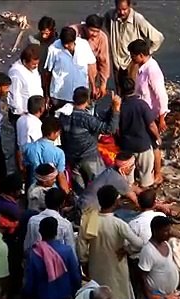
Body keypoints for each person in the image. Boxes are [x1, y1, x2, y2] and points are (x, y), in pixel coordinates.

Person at [78, 185, 145, 299]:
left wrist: (85, 263)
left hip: (97, 269)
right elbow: (139, 243)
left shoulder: (90, 220)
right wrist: (126, 249)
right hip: (117, 270)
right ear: (116, 202)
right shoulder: (118, 223)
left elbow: (81, 248)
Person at [59, 86, 120, 193]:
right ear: (87, 100)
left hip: (72, 158)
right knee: (100, 186)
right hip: (89, 157)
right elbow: (109, 129)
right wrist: (116, 110)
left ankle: (81, 208)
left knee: (79, 191)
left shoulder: (64, 116)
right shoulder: (86, 119)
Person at [128, 39, 169, 185]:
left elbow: (161, 94)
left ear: (140, 55)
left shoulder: (152, 70)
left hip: (151, 114)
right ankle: (147, 170)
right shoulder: (142, 67)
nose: (131, 58)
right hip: (143, 110)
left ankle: (157, 173)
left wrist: (162, 117)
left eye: (133, 55)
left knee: (154, 144)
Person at [104, 0, 164, 95]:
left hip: (133, 61)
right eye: (119, 10)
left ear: (130, 6)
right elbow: (104, 27)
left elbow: (158, 38)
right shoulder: (110, 15)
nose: (122, 12)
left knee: (133, 92)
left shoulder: (138, 19)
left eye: (124, 9)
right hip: (117, 61)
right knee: (120, 92)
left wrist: (145, 54)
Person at [127, 189, 166, 299]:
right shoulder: (161, 217)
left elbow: (128, 246)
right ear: (155, 202)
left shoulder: (133, 223)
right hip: (157, 261)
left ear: (138, 203)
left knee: (139, 293)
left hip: (138, 263)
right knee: (155, 291)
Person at [117, 78, 160, 188]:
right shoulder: (142, 104)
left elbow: (115, 128)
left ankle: (131, 199)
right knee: (146, 179)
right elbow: (151, 125)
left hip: (126, 146)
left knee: (128, 183)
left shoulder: (119, 106)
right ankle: (146, 199)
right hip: (143, 146)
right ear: (134, 88)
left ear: (121, 90)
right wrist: (157, 136)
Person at [43, 26, 97, 111]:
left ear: (74, 40)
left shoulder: (84, 45)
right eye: (63, 43)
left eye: (68, 43)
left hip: (80, 96)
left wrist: (93, 86)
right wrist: (46, 95)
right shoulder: (53, 49)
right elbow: (47, 73)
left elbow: (90, 66)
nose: (65, 45)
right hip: (60, 96)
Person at [8, 44, 44, 171]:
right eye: (33, 64)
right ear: (24, 61)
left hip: (35, 110)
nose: (35, 67)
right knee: (21, 142)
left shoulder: (32, 68)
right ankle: (21, 168)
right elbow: (13, 96)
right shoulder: (16, 73)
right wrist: (21, 114)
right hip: (22, 113)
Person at [23, 117, 69, 193]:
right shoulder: (59, 153)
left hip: (32, 190)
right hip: (51, 193)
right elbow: (61, 177)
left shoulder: (28, 148)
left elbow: (25, 170)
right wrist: (67, 195)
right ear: (56, 133)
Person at [70, 14, 110, 100]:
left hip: (91, 76)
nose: (94, 34)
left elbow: (104, 62)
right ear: (85, 27)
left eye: (97, 31)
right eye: (92, 30)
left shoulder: (102, 38)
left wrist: (103, 84)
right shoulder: (74, 32)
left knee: (89, 102)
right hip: (71, 74)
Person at [24, 188, 75, 254]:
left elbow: (27, 247)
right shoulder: (65, 225)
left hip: (36, 261)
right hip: (57, 262)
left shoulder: (32, 221)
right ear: (62, 204)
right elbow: (71, 250)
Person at [15, 95, 46, 176]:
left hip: (21, 154)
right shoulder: (36, 124)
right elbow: (38, 143)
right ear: (41, 109)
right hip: (31, 159)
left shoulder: (21, 119)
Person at [28, 16, 58, 91]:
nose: (44, 36)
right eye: (42, 33)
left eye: (47, 33)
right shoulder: (33, 40)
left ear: (52, 31)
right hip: (38, 74)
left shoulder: (58, 43)